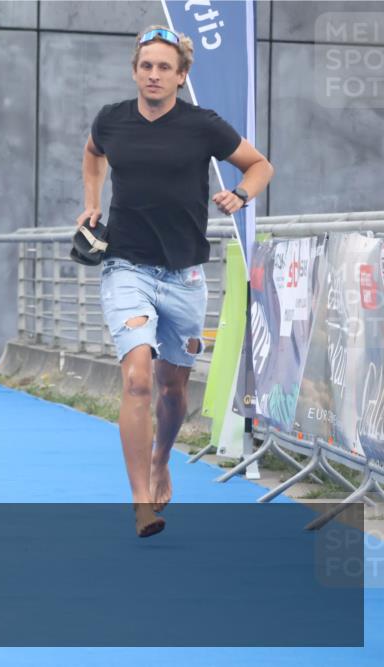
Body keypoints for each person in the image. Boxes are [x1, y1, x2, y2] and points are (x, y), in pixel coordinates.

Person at [79, 26, 273, 536]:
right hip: (126, 267)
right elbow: (93, 152)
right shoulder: (112, 120)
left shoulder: (202, 125)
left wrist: (242, 195)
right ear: (135, 70)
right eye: (146, 66)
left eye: (165, 67)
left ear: (182, 76)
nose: (154, 74)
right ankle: (141, 500)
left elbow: (259, 166)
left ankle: (162, 457)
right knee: (138, 378)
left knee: (172, 388)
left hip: (185, 275)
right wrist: (93, 202)